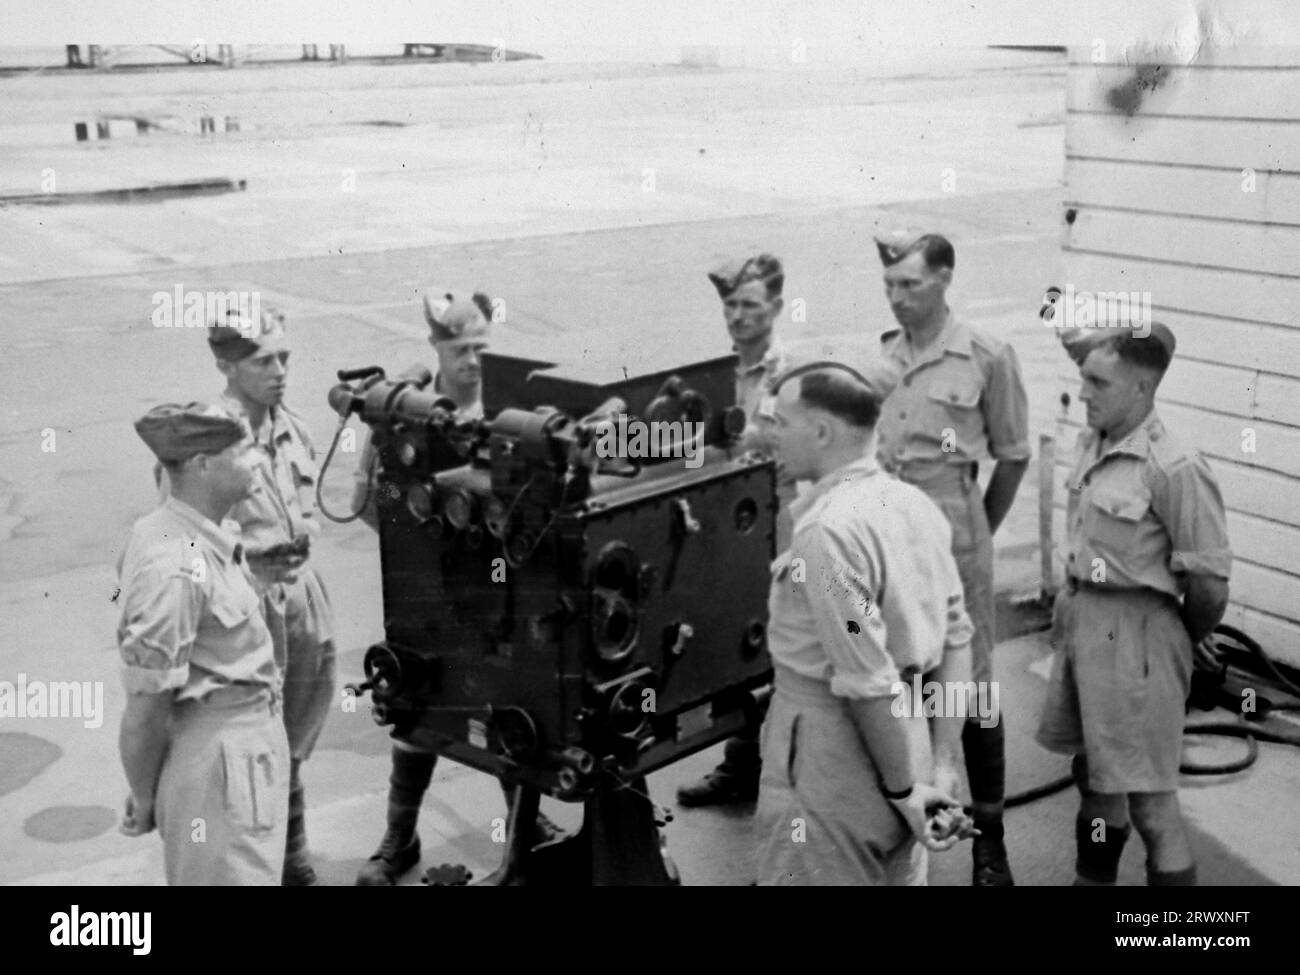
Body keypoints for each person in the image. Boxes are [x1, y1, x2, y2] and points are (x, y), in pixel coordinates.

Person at [353, 287, 559, 885]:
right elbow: (367, 499)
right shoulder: (407, 410)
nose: (471, 359)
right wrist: (424, 544)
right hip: (429, 586)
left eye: (481, 347)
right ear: (435, 345)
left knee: (504, 702)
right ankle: (399, 838)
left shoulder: (510, 412)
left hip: (498, 585)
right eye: (459, 347)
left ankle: (524, 826)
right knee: (417, 701)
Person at [755, 358, 976, 885]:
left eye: (780, 423)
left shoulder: (827, 533)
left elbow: (866, 681)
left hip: (831, 756)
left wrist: (904, 791)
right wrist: (938, 769)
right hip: (913, 740)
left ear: (822, 430)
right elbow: (957, 640)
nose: (772, 438)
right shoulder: (914, 504)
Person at [1037, 323, 1231, 886]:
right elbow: (1084, 341)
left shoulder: (1174, 466)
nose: (1085, 391)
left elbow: (1210, 586)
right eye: (1083, 379)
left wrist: (1170, 641)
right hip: (1082, 625)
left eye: (1098, 382)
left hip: (1139, 636)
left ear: (1143, 390)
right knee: (1096, 779)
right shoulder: (1096, 438)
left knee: (1150, 803)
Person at [873, 230, 1030, 886]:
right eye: (889, 286)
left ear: (944, 279)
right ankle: (906, 814)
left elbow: (1013, 454)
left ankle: (988, 839)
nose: (897, 299)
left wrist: (978, 536)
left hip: (956, 540)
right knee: (896, 676)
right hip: (890, 544)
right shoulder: (883, 358)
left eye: (910, 285)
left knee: (974, 689)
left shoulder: (986, 356)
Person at [117, 403, 289, 885]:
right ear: (202, 464)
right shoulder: (174, 566)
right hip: (220, 771)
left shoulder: (189, 532)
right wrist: (145, 794)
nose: (258, 462)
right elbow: (146, 706)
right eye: (244, 451)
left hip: (238, 753)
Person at [195, 306, 337, 886]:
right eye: (264, 361)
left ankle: (292, 853)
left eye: (285, 359)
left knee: (296, 733)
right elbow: (184, 537)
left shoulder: (292, 426)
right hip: (246, 608)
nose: (280, 371)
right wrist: (249, 560)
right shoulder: (206, 441)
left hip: (302, 601)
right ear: (226, 365)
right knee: (251, 747)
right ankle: (259, 868)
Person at [677, 253, 793, 809]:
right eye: (729, 304)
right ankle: (739, 766)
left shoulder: (789, 375)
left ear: (775, 306)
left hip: (783, 529)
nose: (737, 315)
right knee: (737, 648)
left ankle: (780, 778)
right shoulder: (716, 377)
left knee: (782, 653)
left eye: (749, 304)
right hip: (731, 529)